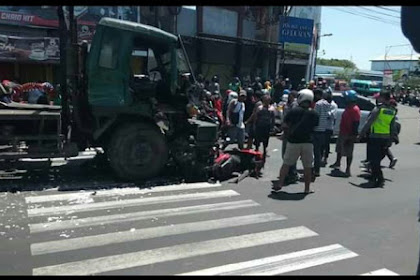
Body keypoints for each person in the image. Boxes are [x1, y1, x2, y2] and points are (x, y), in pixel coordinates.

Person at [272, 89, 319, 194]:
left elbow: (284, 125)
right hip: (308, 142)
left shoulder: (293, 111)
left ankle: (280, 183)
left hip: (293, 141)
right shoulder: (314, 113)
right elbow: (315, 127)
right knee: (307, 166)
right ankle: (307, 189)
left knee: (286, 163)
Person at [359, 91, 397, 187]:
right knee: (376, 160)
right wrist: (391, 140)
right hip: (385, 138)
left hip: (375, 137)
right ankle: (373, 176)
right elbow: (392, 127)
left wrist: (361, 134)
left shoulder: (378, 109)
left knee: (373, 160)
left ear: (383, 98)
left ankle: (379, 179)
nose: (378, 99)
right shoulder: (392, 110)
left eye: (379, 97)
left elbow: (369, 122)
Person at [330, 90, 361, 177]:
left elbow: (356, 123)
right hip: (343, 132)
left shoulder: (355, 110)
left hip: (349, 134)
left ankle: (348, 169)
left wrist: (352, 136)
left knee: (349, 152)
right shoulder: (348, 107)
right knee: (339, 148)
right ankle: (337, 163)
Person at [281, 90, 300, 184]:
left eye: (291, 96)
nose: (289, 97)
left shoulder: (295, 105)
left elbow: (293, 119)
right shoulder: (287, 104)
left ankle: (292, 173)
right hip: (285, 131)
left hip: (291, 131)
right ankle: (289, 172)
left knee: (290, 154)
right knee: (285, 153)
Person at [250, 94, 275, 161]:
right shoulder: (259, 108)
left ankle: (264, 150)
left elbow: (273, 118)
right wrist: (254, 125)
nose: (267, 102)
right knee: (257, 138)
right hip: (259, 126)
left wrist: (273, 126)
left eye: (268, 100)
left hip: (267, 126)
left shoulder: (271, 109)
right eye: (265, 100)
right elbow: (256, 117)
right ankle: (257, 150)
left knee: (266, 139)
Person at [312, 88, 330, 177]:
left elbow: (315, 117)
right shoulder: (327, 104)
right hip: (323, 130)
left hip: (316, 130)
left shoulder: (318, 104)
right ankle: (317, 169)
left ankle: (315, 169)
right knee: (319, 151)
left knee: (315, 151)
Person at [323, 89, 338, 164]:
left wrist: (325, 113)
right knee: (320, 143)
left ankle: (325, 158)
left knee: (326, 144)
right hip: (321, 126)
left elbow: (331, 115)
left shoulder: (334, 105)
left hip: (328, 127)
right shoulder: (322, 104)